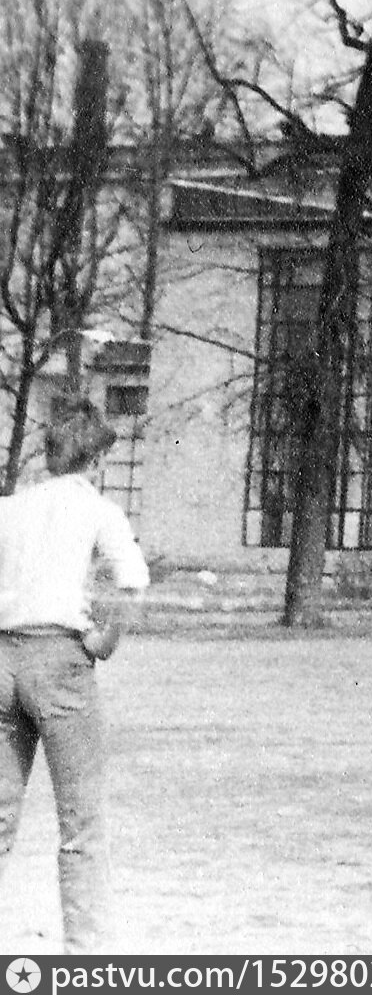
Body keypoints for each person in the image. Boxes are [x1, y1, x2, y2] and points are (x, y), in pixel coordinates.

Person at [0, 405, 150, 953]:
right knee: (81, 823)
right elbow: (132, 582)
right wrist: (104, 641)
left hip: (2, 659)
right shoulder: (98, 509)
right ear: (99, 458)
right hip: (60, 661)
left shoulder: (9, 508)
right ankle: (85, 959)